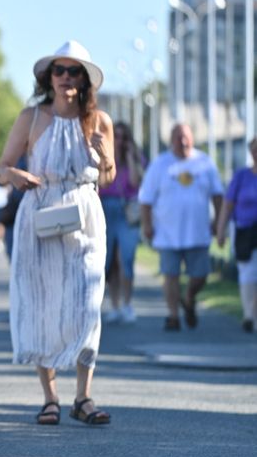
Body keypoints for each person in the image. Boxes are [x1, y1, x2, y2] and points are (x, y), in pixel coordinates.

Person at [0, 40, 116, 426]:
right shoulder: (32, 116)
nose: (65, 77)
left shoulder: (99, 121)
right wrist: (15, 175)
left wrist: (105, 158)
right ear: (49, 77)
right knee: (42, 303)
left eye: (73, 71)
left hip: (84, 213)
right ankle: (50, 397)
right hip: (40, 210)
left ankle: (84, 396)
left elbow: (109, 178)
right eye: (59, 70)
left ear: (84, 79)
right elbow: (1, 166)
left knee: (86, 301)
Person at [139, 123, 223, 331]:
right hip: (168, 233)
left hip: (198, 232)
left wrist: (218, 222)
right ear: (171, 140)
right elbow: (145, 200)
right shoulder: (160, 165)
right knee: (170, 275)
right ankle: (173, 315)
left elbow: (218, 195)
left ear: (192, 139)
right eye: (178, 138)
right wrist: (147, 225)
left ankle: (189, 296)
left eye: (186, 137)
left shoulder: (205, 163)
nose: (183, 142)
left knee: (200, 275)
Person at [98, 121, 144, 325]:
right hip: (106, 209)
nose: (119, 140)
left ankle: (127, 303)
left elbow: (135, 182)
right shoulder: (101, 157)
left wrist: (129, 156)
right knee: (110, 263)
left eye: (123, 137)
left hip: (127, 211)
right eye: (116, 136)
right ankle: (115, 305)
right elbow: (100, 182)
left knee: (126, 258)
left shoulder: (134, 157)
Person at [216, 137, 257, 333]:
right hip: (244, 231)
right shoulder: (241, 176)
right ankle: (249, 314)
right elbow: (227, 205)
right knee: (247, 272)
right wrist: (220, 230)